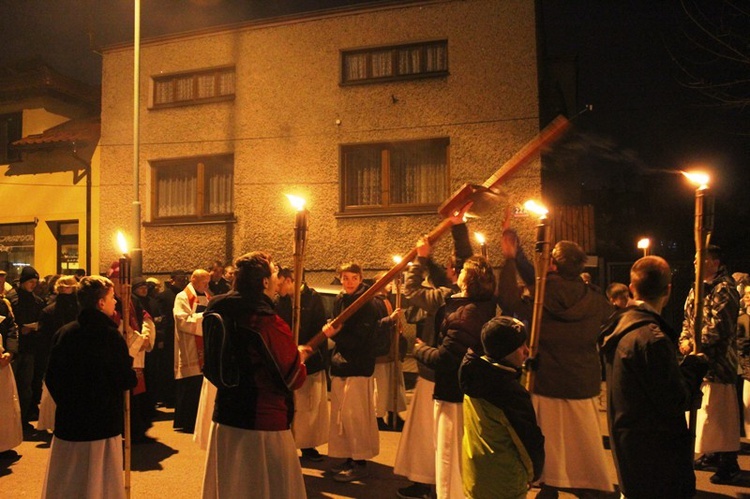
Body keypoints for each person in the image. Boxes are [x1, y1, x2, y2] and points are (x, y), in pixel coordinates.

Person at [497, 238, 614, 497]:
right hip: (582, 380)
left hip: (547, 378)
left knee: (548, 440)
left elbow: (507, 299)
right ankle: (577, 486)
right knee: (582, 441)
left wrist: (509, 260)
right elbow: (609, 324)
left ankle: (553, 485)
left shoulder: (542, 293)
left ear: (552, 265)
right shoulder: (594, 298)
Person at [201, 252, 309, 499]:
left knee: (230, 488)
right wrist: (298, 358)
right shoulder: (266, 321)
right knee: (260, 489)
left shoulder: (217, 308)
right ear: (263, 283)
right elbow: (293, 378)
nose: (277, 279)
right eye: (273, 274)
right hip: (262, 423)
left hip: (226, 418)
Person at [599, 256, 709, 498]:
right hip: (656, 458)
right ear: (668, 290)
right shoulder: (651, 339)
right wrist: (693, 368)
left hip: (631, 450)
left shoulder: (618, 327)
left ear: (631, 288)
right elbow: (674, 400)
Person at [41, 276, 137, 498]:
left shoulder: (65, 333)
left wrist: (68, 403)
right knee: (98, 481)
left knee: (69, 480)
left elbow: (52, 377)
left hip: (70, 422)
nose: (116, 302)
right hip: (101, 424)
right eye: (112, 297)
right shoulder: (110, 336)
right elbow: (124, 380)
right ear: (101, 303)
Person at [413, 255, 497, 499]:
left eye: (462, 272)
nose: (456, 274)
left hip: (454, 394)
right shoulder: (485, 303)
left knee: (450, 457)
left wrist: (419, 350)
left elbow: (446, 359)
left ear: (467, 280)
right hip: (470, 391)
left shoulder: (464, 316)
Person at [321, 262, 399, 483]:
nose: (349, 283)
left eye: (353, 278)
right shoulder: (340, 299)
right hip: (340, 363)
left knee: (356, 416)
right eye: (345, 278)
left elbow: (361, 337)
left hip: (359, 365)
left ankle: (360, 461)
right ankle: (347, 456)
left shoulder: (368, 303)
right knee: (341, 416)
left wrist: (333, 335)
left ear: (360, 278)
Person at [459, 316, 545, 499]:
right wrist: (534, 472)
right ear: (504, 351)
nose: (526, 351)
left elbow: (500, 375)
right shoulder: (510, 395)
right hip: (505, 479)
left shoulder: (475, 373)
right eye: (520, 346)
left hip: (476, 474)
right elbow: (527, 440)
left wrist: (522, 370)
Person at [680, 245, 741, 484]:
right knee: (706, 411)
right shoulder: (696, 288)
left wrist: (694, 343)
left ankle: (729, 462)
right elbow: (687, 318)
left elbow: (720, 327)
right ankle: (711, 452)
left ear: (714, 263)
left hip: (719, 363)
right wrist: (684, 340)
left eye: (700, 260)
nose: (695, 264)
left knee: (721, 414)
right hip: (699, 360)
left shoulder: (725, 288)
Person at [275, 267, 330, 461]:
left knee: (307, 407)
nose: (277, 287)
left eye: (280, 283)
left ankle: (307, 446)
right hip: (286, 361)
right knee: (289, 406)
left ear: (290, 280)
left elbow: (320, 329)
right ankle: (287, 444)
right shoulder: (278, 301)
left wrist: (309, 350)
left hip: (309, 361)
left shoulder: (312, 298)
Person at [35, 275, 79, 433]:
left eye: (70, 287)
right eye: (64, 287)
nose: (67, 290)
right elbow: (44, 336)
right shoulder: (51, 310)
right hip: (61, 355)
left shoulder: (77, 308)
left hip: (70, 354)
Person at [7, 265, 45, 428]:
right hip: (15, 349)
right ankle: (12, 420)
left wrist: (36, 327)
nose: (33, 284)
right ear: (23, 281)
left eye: (35, 282)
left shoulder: (37, 301)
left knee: (26, 385)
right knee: (13, 385)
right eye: (30, 281)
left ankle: (23, 418)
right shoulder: (12, 299)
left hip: (29, 348)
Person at [173, 269, 211, 433]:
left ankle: (199, 420)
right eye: (204, 281)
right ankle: (187, 421)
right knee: (190, 385)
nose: (206, 285)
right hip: (190, 346)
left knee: (200, 383)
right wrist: (205, 317)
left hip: (204, 344)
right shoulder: (182, 297)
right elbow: (182, 320)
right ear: (194, 279)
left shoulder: (207, 296)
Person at [371, 271, 407, 431]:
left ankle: (394, 414)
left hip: (393, 349)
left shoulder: (388, 300)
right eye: (388, 281)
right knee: (382, 385)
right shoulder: (373, 302)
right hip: (381, 351)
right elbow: (375, 325)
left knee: (395, 383)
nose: (391, 284)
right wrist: (390, 319)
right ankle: (378, 417)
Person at [0, 293, 22, 459]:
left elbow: (11, 328)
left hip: (2, 361)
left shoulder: (3, 304)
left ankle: (5, 443)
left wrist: (10, 351)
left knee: (5, 403)